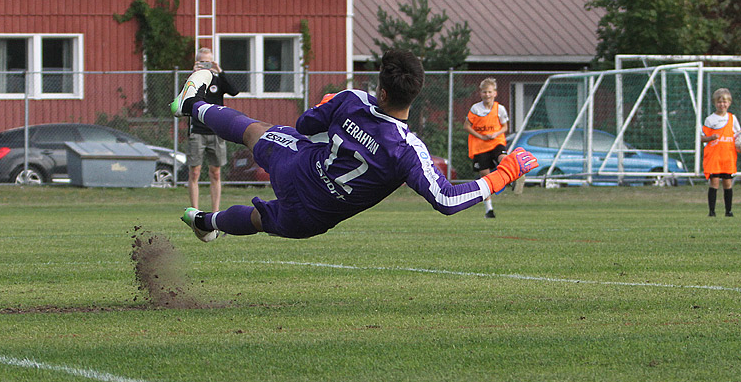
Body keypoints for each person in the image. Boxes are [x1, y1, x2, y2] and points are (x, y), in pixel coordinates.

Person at [170, 48, 538, 242]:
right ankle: (206, 221)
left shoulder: (353, 99)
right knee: (260, 219)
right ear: (416, 95)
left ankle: (192, 105)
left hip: (298, 167)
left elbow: (304, 124)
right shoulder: (407, 149)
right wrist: (507, 172)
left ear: (382, 89)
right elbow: (446, 200)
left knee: (255, 131)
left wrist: (328, 106)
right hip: (316, 215)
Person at [185, 47, 239, 213]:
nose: (205, 65)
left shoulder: (217, 80)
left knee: (215, 173)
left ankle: (215, 212)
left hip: (215, 131)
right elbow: (184, 98)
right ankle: (195, 211)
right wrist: (193, 74)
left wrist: (220, 71)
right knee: (195, 172)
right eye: (202, 62)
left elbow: (234, 91)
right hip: (197, 131)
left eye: (208, 61)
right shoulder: (194, 81)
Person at [463, 77, 515, 218]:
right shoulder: (476, 109)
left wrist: (495, 133)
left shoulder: (500, 109)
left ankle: (513, 177)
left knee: (503, 158)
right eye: (485, 92)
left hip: (495, 141)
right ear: (481, 93)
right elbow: (467, 126)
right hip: (480, 146)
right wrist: (481, 136)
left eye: (490, 92)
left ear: (495, 93)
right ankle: (489, 210)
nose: (487, 95)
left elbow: (505, 126)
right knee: (485, 179)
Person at [701, 87, 741, 217]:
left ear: (729, 103)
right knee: (714, 182)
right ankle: (711, 211)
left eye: (725, 102)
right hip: (714, 157)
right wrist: (710, 138)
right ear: (714, 103)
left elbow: (738, 135)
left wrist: (738, 144)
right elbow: (701, 138)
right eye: (719, 102)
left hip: (728, 156)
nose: (722, 104)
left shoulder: (732, 118)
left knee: (728, 183)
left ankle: (728, 211)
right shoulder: (710, 119)